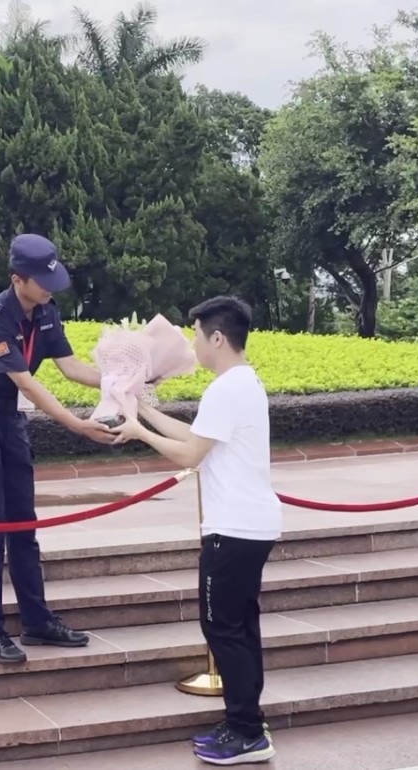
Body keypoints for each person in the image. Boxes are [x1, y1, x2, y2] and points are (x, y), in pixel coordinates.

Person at [111, 295, 279, 765]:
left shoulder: (227, 389)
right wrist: (141, 411)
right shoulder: (241, 383)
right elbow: (194, 435)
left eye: (198, 335)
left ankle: (247, 732)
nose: (193, 344)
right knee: (238, 627)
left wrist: (141, 434)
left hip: (234, 528)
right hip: (249, 525)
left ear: (218, 338)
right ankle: (246, 722)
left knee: (222, 627)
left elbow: (188, 456)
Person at [0, 233, 115, 664]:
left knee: (25, 526)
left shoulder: (45, 312)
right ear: (17, 279)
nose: (51, 288)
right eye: (43, 281)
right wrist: (77, 425)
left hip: (9, 419)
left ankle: (37, 622)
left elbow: (71, 367)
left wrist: (126, 382)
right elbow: (26, 381)